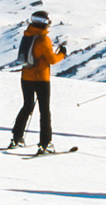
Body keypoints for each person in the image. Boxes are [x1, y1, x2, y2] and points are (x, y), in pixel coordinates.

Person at [9, 9, 66, 154]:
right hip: (41, 79)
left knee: (27, 106)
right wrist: (62, 54)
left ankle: (16, 138)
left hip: (26, 77)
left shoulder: (28, 35)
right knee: (44, 111)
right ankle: (45, 144)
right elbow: (52, 60)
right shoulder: (43, 39)